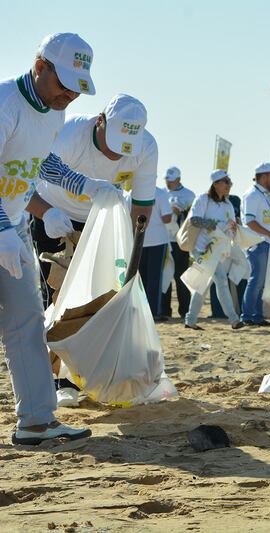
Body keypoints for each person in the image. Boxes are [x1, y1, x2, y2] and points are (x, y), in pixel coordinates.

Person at [0, 33, 115, 444]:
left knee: (27, 325)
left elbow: (40, 162)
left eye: (77, 87)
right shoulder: (5, 105)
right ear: (39, 66)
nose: (70, 94)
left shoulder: (53, 113)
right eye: (63, 82)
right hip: (3, 231)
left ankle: (35, 421)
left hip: (10, 231)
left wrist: (85, 186)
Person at [33, 93, 156, 306]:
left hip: (98, 222)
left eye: (127, 147)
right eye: (115, 142)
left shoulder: (147, 148)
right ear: (101, 120)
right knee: (55, 293)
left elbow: (141, 208)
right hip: (53, 216)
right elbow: (27, 179)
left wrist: (131, 251)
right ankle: (50, 339)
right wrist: (46, 213)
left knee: (96, 295)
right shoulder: (70, 133)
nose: (118, 153)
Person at [184, 170, 244, 331]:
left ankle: (190, 320)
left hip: (218, 250)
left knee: (204, 284)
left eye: (229, 182)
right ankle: (233, 319)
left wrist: (233, 227)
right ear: (216, 183)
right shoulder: (203, 199)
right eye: (226, 182)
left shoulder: (228, 204)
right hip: (202, 248)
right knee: (220, 280)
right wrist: (212, 225)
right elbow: (194, 220)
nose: (229, 185)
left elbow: (231, 229)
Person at [239, 162, 270, 326]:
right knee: (256, 280)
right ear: (264, 177)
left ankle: (256, 316)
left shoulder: (261, 195)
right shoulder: (252, 195)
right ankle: (248, 316)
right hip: (256, 243)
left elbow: (262, 221)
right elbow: (249, 221)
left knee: (260, 281)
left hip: (264, 242)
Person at [161, 166, 195, 319]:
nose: (168, 183)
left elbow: (193, 218)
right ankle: (164, 310)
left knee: (181, 276)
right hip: (163, 239)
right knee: (165, 275)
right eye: (167, 180)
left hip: (180, 241)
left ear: (179, 179)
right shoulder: (161, 193)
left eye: (171, 180)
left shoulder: (189, 195)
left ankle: (185, 310)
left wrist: (181, 212)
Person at [137, 185, 172, 319]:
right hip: (157, 240)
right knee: (155, 278)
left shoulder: (131, 192)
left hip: (139, 240)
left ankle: (142, 312)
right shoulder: (160, 193)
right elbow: (166, 218)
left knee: (142, 278)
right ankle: (153, 312)